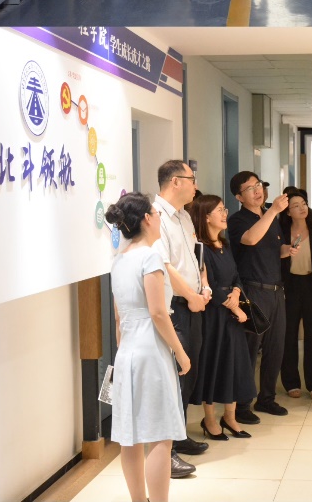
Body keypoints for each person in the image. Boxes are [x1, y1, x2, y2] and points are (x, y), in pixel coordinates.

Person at [104, 193, 190, 502]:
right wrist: (180, 352)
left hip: (127, 352)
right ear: (146, 219)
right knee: (160, 436)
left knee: (130, 437)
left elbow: (118, 318)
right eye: (156, 212)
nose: (159, 217)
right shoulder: (150, 257)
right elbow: (157, 313)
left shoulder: (119, 260)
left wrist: (124, 352)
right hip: (151, 353)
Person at [149, 160, 210, 477]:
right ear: (175, 182)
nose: (195, 185)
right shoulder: (155, 217)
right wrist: (190, 295)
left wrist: (204, 287)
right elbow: (165, 266)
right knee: (175, 376)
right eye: (191, 179)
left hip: (194, 304)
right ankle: (166, 453)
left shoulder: (184, 216)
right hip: (175, 307)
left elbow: (196, 256)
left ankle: (179, 434)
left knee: (189, 373)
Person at [187, 194, 256, 441]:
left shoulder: (224, 244)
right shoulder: (200, 248)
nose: (225, 214)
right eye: (219, 210)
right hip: (214, 316)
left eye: (224, 209)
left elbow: (236, 276)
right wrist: (234, 308)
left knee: (233, 365)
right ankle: (210, 419)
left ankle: (230, 417)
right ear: (206, 217)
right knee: (214, 364)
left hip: (231, 314)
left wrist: (236, 293)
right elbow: (209, 286)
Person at [227, 171, 289, 423]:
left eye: (258, 185)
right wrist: (273, 211)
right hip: (253, 290)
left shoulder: (269, 216)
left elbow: (276, 248)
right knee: (250, 350)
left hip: (276, 290)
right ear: (239, 197)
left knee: (276, 348)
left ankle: (267, 398)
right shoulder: (237, 220)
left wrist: (288, 249)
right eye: (250, 188)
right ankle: (242, 405)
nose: (257, 191)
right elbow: (251, 239)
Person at [279, 188, 312, 400]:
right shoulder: (281, 230)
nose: (302, 208)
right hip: (290, 285)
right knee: (288, 335)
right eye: (295, 206)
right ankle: (291, 382)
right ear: (288, 211)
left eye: (304, 204)